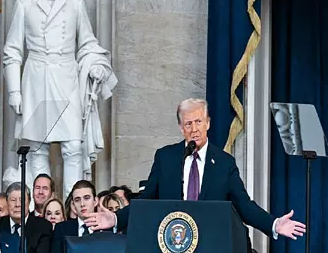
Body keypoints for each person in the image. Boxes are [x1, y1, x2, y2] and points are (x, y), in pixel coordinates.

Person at [86, 98, 306, 240]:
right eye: (188, 124)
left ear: (208, 123)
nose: (194, 129)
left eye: (199, 122)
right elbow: (146, 200)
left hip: (209, 247)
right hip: (171, 244)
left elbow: (244, 205)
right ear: (181, 128)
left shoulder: (224, 163)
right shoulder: (166, 158)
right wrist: (116, 219)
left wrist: (274, 224)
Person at [3, 0, 117, 198]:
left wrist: (96, 64)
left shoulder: (74, 2)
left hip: (67, 79)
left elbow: (87, 41)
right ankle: (41, 213)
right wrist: (14, 91)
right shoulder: (25, 3)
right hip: (37, 79)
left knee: (73, 147)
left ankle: (71, 208)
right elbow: (12, 51)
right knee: (37, 149)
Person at [49, 180, 112, 253]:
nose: (82, 204)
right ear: (73, 205)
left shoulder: (107, 230)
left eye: (86, 198)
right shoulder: (62, 229)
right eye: (77, 200)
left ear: (95, 201)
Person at [0, 183, 53, 253]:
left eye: (22, 200)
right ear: (7, 202)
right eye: (13, 200)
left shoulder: (43, 226)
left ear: (29, 202)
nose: (18, 204)